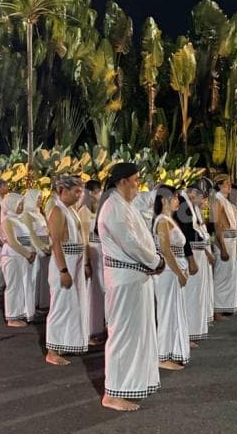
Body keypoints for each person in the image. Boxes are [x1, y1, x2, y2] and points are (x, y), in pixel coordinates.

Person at [98, 162, 166, 411]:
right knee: (123, 335)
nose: (139, 185)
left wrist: (155, 259)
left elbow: (143, 235)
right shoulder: (113, 207)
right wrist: (155, 260)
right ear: (123, 181)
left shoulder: (125, 205)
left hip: (137, 279)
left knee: (138, 334)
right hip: (125, 281)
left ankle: (133, 385)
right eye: (136, 180)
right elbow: (131, 243)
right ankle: (113, 393)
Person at [45, 175, 90, 365]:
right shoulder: (57, 211)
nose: (79, 195)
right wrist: (63, 270)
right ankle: (52, 351)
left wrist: (84, 263)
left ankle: (65, 343)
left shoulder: (70, 210)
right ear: (63, 190)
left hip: (75, 263)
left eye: (81, 191)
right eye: (76, 191)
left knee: (72, 305)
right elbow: (56, 243)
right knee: (60, 306)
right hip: (64, 264)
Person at [152, 185, 191, 369]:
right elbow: (166, 250)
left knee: (174, 311)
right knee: (166, 312)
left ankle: (173, 350)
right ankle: (161, 355)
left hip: (174, 270)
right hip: (168, 272)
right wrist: (179, 272)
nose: (178, 201)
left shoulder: (170, 220)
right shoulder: (162, 221)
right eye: (174, 198)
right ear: (164, 200)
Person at [176, 183, 214, 345]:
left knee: (196, 294)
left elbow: (199, 229)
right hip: (190, 253)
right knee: (190, 296)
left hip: (197, 252)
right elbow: (185, 233)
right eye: (201, 196)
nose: (203, 200)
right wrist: (191, 258)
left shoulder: (190, 205)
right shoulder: (183, 205)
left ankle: (192, 331)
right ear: (192, 193)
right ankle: (187, 333)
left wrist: (205, 251)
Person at [1, 193, 37, 327]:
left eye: (22, 204)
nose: (21, 207)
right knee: (14, 286)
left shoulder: (19, 219)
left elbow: (28, 238)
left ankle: (22, 312)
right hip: (13, 256)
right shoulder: (7, 221)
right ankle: (12, 317)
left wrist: (32, 251)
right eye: (18, 204)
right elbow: (12, 242)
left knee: (23, 284)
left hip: (23, 256)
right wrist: (28, 254)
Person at [78, 180, 106, 342]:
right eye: (99, 191)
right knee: (92, 291)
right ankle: (89, 330)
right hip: (93, 254)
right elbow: (84, 238)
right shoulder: (84, 211)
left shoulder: (99, 211)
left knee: (100, 292)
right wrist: (86, 261)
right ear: (93, 193)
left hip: (101, 254)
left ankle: (98, 326)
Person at [212, 175, 237, 319]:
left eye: (230, 183)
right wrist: (223, 247)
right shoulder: (217, 201)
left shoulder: (226, 201)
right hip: (224, 241)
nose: (229, 186)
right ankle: (217, 310)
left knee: (229, 275)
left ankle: (228, 306)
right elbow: (217, 225)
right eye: (226, 184)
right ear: (219, 186)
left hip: (231, 239)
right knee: (221, 276)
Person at [22, 188, 51, 312]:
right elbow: (31, 233)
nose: (40, 200)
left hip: (46, 245)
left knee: (45, 277)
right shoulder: (26, 214)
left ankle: (43, 302)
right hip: (37, 247)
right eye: (38, 198)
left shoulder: (39, 213)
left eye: (41, 197)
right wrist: (41, 247)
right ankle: (34, 304)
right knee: (37, 275)